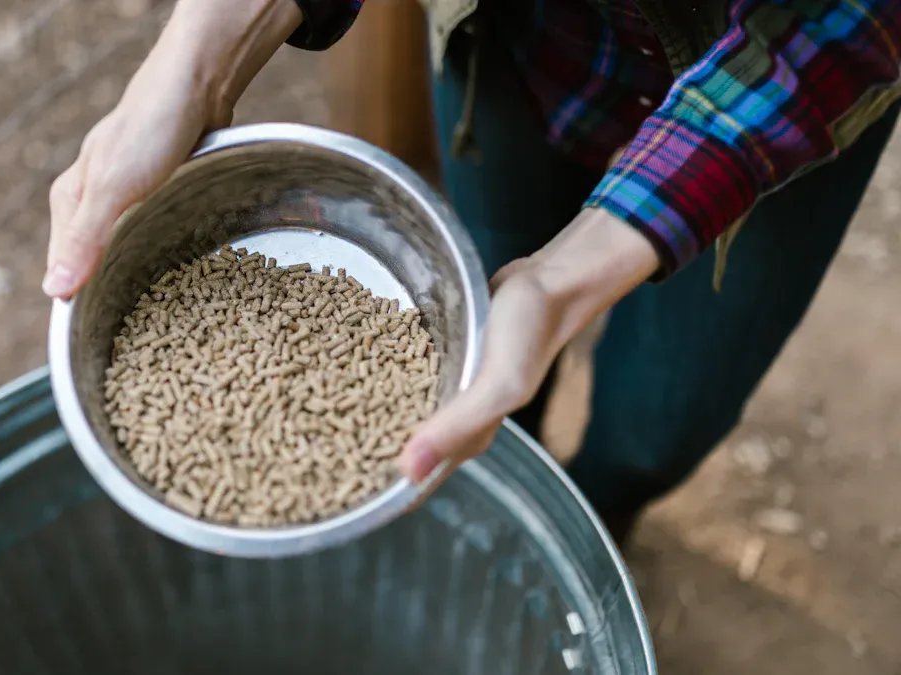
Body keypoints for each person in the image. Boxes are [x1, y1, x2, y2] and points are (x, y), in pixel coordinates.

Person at [44, 0, 901, 546]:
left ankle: (598, 516)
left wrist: (562, 283)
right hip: (524, 40)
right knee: (486, 361)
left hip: (772, 103)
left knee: (662, 420)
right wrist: (196, 63)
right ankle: (484, 508)